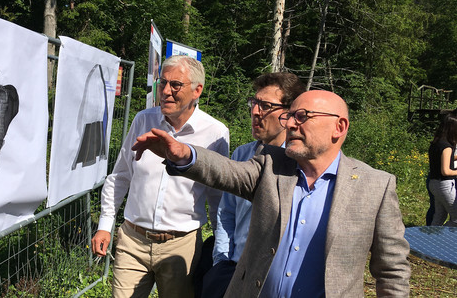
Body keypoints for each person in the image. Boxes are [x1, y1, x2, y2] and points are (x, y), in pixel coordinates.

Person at [132, 90, 411, 297]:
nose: (289, 124)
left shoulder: (376, 186)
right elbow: (227, 171)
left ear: (339, 127)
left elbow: (392, 271)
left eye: (302, 117)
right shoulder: (271, 165)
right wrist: (185, 155)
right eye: (290, 116)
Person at [91, 55, 229, 298]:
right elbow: (121, 175)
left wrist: (221, 245)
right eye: (162, 83)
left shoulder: (215, 133)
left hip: (181, 246)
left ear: (197, 90)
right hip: (132, 240)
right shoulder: (144, 120)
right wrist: (105, 225)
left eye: (176, 85)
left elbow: (217, 194)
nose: (165, 91)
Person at [201, 73, 305, 298]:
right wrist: (222, 262)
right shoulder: (242, 154)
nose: (256, 112)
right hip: (235, 272)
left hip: (276, 280)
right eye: (254, 103)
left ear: (288, 114)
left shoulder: (302, 164)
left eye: (266, 106)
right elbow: (226, 213)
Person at [427, 113, 457, 227]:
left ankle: (431, 240)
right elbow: (446, 171)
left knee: (439, 216)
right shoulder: (447, 146)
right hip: (444, 185)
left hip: (434, 183)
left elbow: (444, 159)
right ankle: (444, 236)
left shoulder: (437, 143)